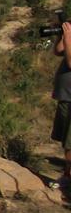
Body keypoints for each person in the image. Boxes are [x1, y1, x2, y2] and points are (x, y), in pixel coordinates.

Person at [49, 20, 71, 191]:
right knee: (65, 141)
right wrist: (61, 35)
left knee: (70, 143)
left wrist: (69, 37)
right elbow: (58, 51)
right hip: (66, 98)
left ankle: (67, 178)